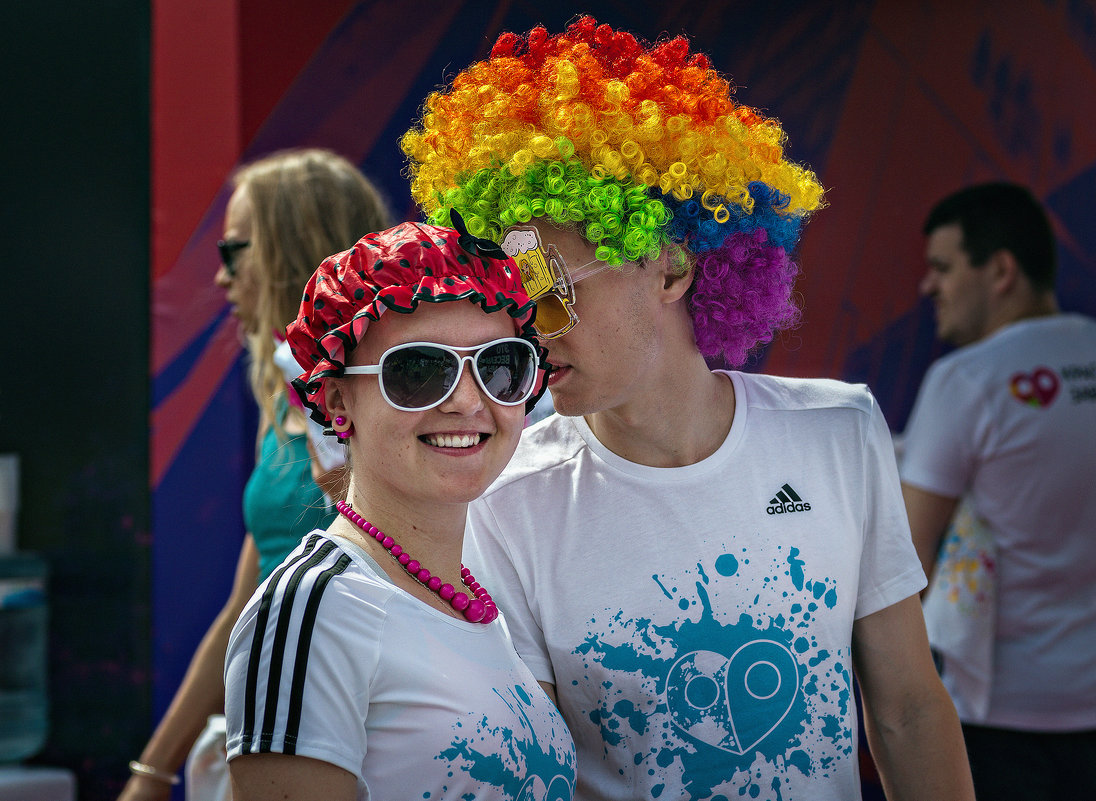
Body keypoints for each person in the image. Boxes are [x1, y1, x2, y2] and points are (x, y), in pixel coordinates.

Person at [401, 17, 975, 801]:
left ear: (668, 266)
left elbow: (908, 709)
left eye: (550, 288)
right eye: (511, 298)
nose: (528, 328)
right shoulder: (505, 499)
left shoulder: (837, 432)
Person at [222, 217, 576, 800]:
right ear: (338, 401)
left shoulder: (477, 600)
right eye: (417, 371)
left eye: (500, 365)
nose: (468, 401)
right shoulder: (311, 608)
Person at [121, 149, 392, 800]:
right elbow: (245, 605)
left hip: (362, 740)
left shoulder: (393, 399)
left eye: (235, 251)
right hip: (268, 729)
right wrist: (153, 771)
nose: (220, 278)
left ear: (293, 252)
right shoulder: (282, 397)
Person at [901, 182, 1096, 799]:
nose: (927, 287)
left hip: (999, 716)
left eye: (942, 268)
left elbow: (908, 561)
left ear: (1002, 270)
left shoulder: (966, 381)